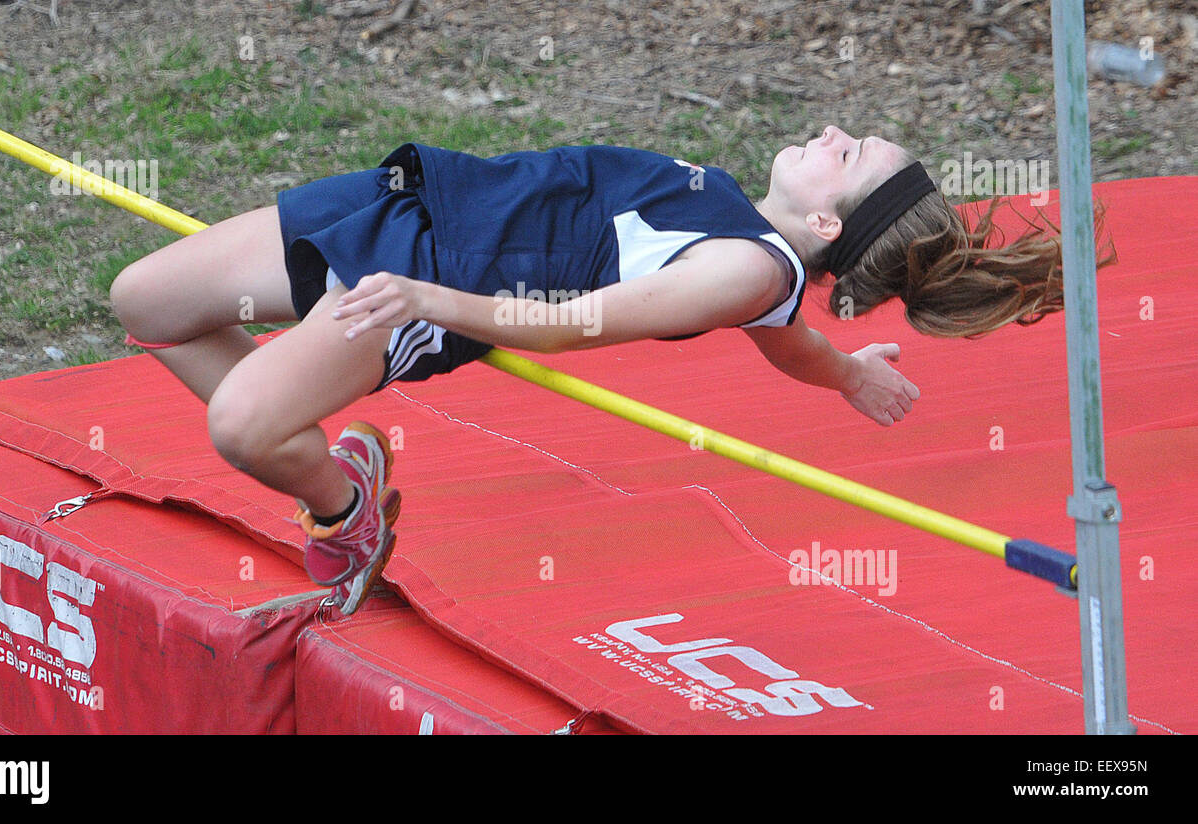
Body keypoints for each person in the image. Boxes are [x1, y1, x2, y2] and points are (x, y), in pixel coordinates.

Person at [110, 126, 1113, 616]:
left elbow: (574, 323)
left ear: (823, 224)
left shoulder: (740, 267)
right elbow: (789, 335)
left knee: (242, 429)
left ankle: (340, 502)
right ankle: (310, 439)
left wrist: (425, 304)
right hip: (408, 204)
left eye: (846, 155)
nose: (830, 133)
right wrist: (845, 374)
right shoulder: (753, 245)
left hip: (429, 276)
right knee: (146, 303)